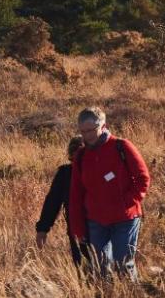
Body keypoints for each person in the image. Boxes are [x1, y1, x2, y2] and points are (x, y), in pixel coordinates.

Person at [69, 107, 151, 281]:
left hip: (125, 218)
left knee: (124, 265)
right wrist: (78, 228)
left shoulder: (121, 146)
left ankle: (131, 296)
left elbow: (143, 178)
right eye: (83, 132)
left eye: (91, 130)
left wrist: (127, 202)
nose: (87, 136)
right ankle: (106, 297)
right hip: (96, 221)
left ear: (103, 126)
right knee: (100, 268)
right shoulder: (81, 156)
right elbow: (76, 194)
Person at [35, 135, 90, 267]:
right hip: (75, 227)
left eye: (83, 154)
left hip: (102, 226)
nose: (79, 159)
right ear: (71, 155)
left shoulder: (98, 170)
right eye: (75, 154)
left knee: (104, 265)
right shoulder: (65, 174)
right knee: (81, 266)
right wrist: (43, 228)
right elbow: (53, 202)